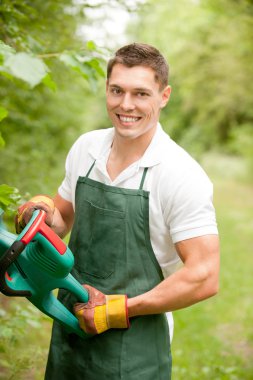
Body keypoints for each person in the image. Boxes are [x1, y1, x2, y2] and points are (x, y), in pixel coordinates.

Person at [16, 43, 220, 380]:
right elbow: (63, 219)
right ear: (107, 90)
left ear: (164, 96)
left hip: (136, 345)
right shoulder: (87, 148)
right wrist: (42, 212)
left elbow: (204, 275)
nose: (126, 105)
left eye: (141, 93)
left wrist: (118, 310)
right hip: (70, 327)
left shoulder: (180, 174)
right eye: (117, 91)